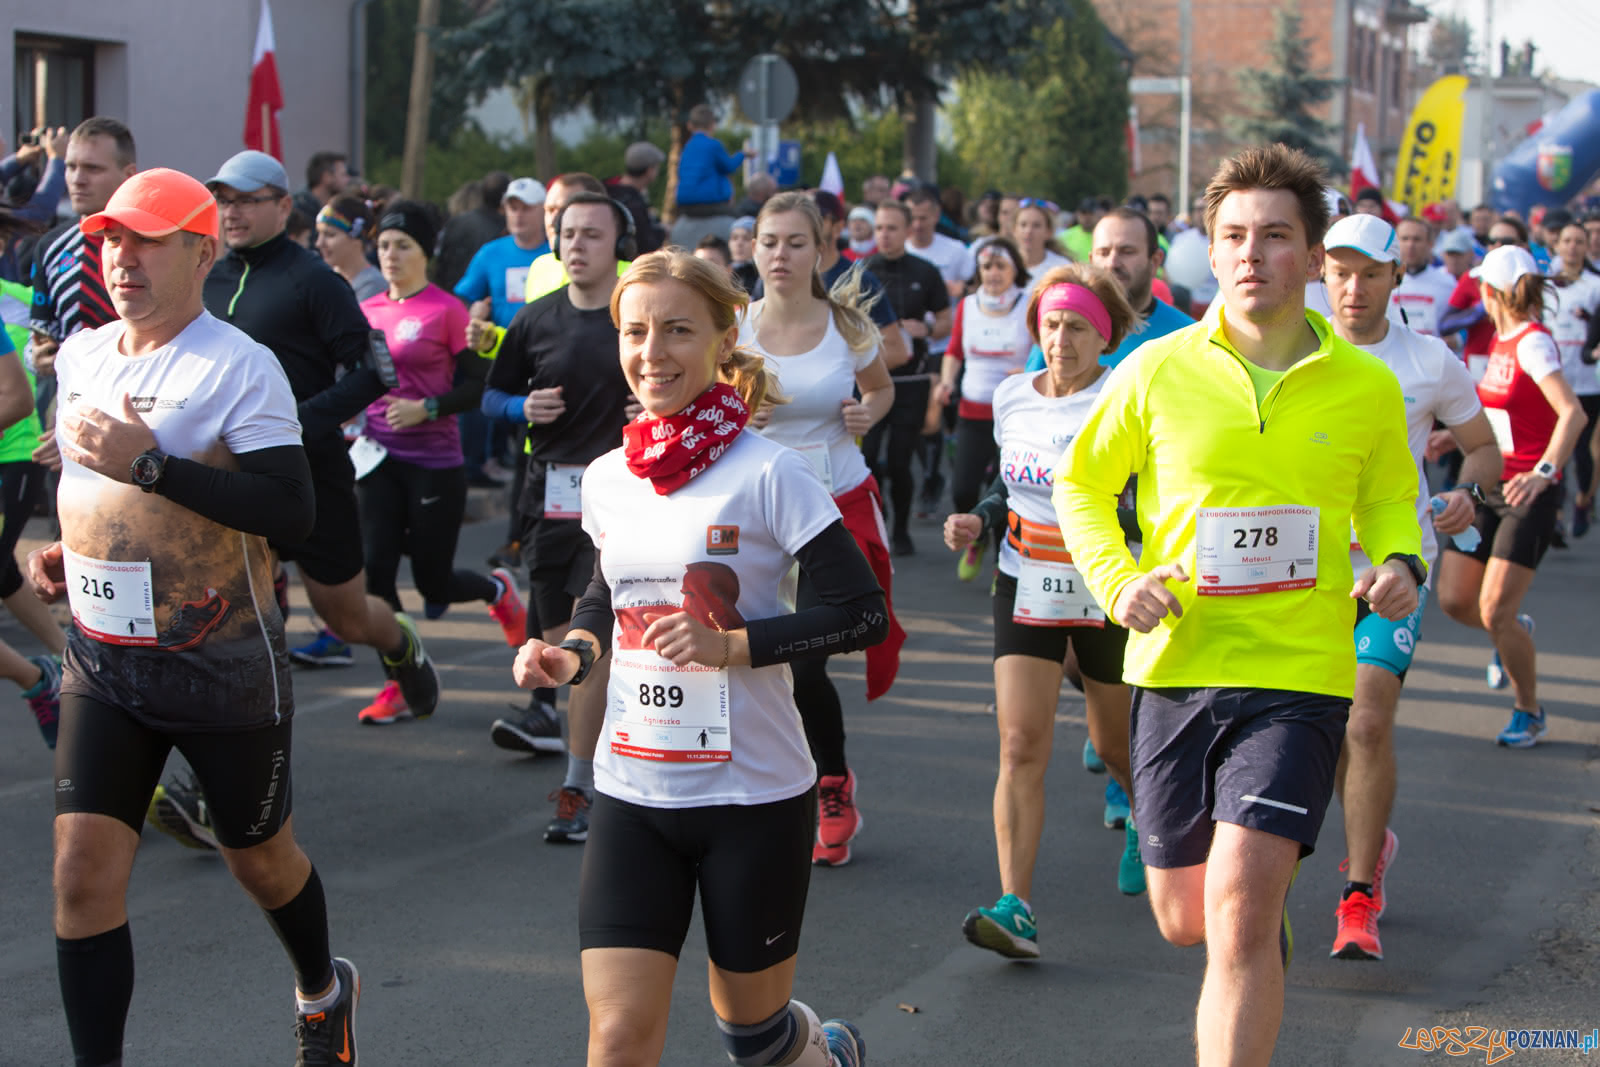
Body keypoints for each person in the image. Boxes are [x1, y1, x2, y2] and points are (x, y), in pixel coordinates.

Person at [1055, 144, 1424, 1066]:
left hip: (1300, 670)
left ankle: (1256, 933)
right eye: (1233, 236)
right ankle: (1256, 931)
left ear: (1310, 255)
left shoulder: (1368, 385)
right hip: (1178, 664)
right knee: (1188, 917)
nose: (1253, 252)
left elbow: (1385, 492)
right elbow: (1083, 486)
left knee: (1240, 911)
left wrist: (1397, 557)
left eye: (1275, 235)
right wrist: (1117, 577)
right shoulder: (1153, 370)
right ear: (1211, 256)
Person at [511, 248, 883, 1067]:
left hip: (751, 796)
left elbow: (861, 614)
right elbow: (604, 598)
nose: (653, 352)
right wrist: (570, 655)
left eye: (678, 330)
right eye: (636, 331)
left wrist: (735, 646)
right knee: (615, 1037)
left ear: (724, 336)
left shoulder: (770, 473)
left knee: (756, 1040)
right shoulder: (610, 477)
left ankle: (829, 1053)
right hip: (633, 791)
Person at [33, 166, 358, 1067]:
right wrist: (76, 547)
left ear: (202, 250)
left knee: (259, 860)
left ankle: (322, 989)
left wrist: (151, 468)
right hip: (103, 659)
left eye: (146, 238)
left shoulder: (238, 365)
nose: (121, 256)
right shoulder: (86, 354)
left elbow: (291, 511)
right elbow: (86, 485)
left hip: (220, 666)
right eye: (109, 239)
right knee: (79, 875)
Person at [946, 264, 1145, 961]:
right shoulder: (1010, 397)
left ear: (1105, 336)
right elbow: (1012, 487)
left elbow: (1146, 500)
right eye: (1051, 325)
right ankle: (1017, 906)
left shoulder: (1125, 400)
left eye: (1078, 328)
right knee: (1020, 743)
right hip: (1022, 582)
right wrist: (980, 518)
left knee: (1116, 743)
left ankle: (1140, 815)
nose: (1060, 340)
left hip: (1105, 590)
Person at [1318, 213, 1501, 961]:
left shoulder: (1429, 361)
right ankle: (1373, 834)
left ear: (1398, 278)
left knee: (1365, 720)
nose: (1353, 289)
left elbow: (1484, 447)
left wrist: (1467, 494)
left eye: (1369, 273)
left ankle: (1358, 892)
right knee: (1326, 726)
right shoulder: (1296, 350)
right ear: (1320, 277)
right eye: (1339, 273)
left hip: (1395, 567)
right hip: (1307, 570)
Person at [200, 149, 438, 723]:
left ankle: (398, 640)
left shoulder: (313, 280)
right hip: (228, 470)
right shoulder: (208, 273)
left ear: (283, 206)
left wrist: (300, 421)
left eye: (246, 201)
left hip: (307, 469)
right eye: (223, 201)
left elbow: (374, 372)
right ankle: (235, 738)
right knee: (223, 609)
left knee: (345, 618)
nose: (232, 213)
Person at [740, 191, 903, 867]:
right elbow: (711, 398)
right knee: (758, 660)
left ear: (821, 251)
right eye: (770, 241)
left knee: (803, 655)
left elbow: (883, 388)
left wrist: (869, 412)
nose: (781, 254)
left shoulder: (847, 325)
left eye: (795, 243)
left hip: (833, 506)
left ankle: (831, 783)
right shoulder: (734, 327)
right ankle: (775, 788)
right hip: (757, 512)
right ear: (753, 248)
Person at [482, 191, 636, 843]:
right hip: (553, 498)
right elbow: (489, 395)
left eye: (591, 235)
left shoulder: (638, 317)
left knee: (593, 649)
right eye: (567, 234)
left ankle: (584, 784)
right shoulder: (535, 319)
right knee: (565, 654)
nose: (576, 245)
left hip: (624, 498)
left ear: (616, 244)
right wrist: (523, 408)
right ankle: (592, 775)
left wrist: (650, 416)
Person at [351, 201, 527, 724]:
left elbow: (479, 386)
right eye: (383, 245)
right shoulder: (369, 311)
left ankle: (496, 589)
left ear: (425, 252)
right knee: (376, 579)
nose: (391, 255)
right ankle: (401, 681)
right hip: (378, 461)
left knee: (432, 583)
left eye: (402, 245)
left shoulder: (446, 310)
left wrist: (427, 407)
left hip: (434, 462)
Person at [1435, 244, 1585, 747]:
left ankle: (1529, 709)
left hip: (1528, 492)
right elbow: (1505, 417)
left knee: (1493, 609)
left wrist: (1545, 472)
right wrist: (1451, 437)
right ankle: (1512, 629)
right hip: (1489, 484)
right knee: (1456, 601)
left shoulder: (1532, 343)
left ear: (1492, 292)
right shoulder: (1500, 341)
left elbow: (1573, 414)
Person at [935, 236, 1032, 581]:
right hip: (972, 412)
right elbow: (953, 351)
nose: (992, 273)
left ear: (1014, 270)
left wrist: (1026, 373)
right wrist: (946, 382)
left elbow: (1043, 352)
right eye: (986, 266)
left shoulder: (1028, 303)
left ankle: (1001, 566)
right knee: (963, 487)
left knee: (1004, 489)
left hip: (1015, 413)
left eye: (1000, 266)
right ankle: (976, 538)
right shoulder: (968, 305)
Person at [29, 118, 137, 406]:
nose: (78, 179)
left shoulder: (154, 242)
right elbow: (41, 334)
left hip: (139, 398)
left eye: (93, 168)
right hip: (70, 403)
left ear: (128, 175)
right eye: (71, 166)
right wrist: (35, 357)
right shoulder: (51, 246)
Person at [862, 200, 951, 556]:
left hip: (911, 381)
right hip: (869, 380)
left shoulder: (925, 272)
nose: (884, 235)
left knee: (900, 462)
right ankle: (875, 520)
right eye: (879, 228)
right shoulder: (861, 271)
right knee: (867, 459)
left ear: (907, 231)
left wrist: (927, 326)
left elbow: (946, 321)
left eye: (892, 228)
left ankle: (900, 528)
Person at [0, 314, 63, 745]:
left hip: (18, 452)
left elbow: (18, 398)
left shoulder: (14, 294)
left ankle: (49, 673)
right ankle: (63, 665)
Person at [1543, 219, 1600, 536]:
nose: (1573, 247)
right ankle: (1556, 514)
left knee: (1583, 452)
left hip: (1589, 380)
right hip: (1553, 379)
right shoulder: (1546, 285)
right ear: (1558, 245)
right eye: (1567, 241)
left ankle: (1583, 501)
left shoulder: (1594, 285)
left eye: (1579, 241)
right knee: (1556, 448)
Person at [454, 177, 550, 333]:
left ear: (544, 210)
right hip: (503, 347)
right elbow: (462, 298)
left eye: (526, 208)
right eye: (513, 208)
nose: (518, 215)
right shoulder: (490, 253)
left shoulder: (557, 252)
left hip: (549, 345)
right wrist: (473, 310)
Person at [670, 104, 745, 247]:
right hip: (709, 204)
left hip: (685, 206)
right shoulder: (713, 145)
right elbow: (728, 167)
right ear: (712, 125)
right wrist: (743, 155)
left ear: (690, 126)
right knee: (743, 222)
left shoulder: (687, 147)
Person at [433, 170, 510, 293]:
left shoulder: (456, 222)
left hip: (451, 293)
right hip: (480, 299)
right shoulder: (504, 230)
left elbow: (442, 264)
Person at [1391, 217, 1456, 338]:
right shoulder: (1384, 281)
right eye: (1405, 239)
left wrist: (1458, 339)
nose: (1410, 245)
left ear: (1430, 244)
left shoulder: (1448, 284)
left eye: (1417, 239)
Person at [313, 196, 384, 301]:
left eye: (330, 235)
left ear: (357, 239)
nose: (319, 243)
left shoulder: (374, 286)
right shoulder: (323, 278)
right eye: (318, 234)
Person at [610, 141, 666, 254]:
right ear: (650, 170)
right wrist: (662, 231)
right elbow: (648, 244)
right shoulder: (633, 203)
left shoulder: (612, 190)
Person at [1013, 199, 1071, 277]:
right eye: (1023, 225)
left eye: (1036, 225)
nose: (1028, 231)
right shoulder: (1001, 263)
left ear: (1049, 232)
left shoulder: (1062, 268)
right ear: (1014, 229)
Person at [292, 150, 349, 221]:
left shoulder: (340, 207)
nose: (348, 179)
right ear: (327, 177)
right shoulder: (298, 210)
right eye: (343, 175)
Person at [728, 216, 759, 292]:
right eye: (734, 238)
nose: (739, 243)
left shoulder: (761, 276)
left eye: (746, 238)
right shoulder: (724, 273)